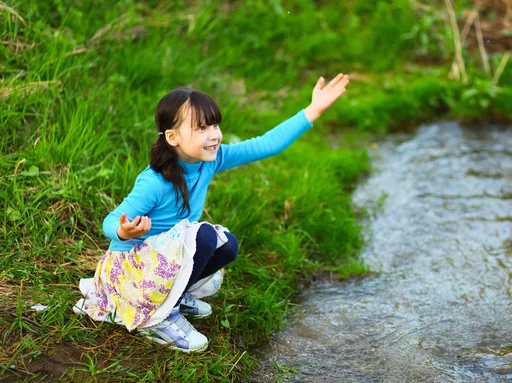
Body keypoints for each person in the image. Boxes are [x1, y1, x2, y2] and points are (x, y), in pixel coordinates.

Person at [73, 73, 350, 352]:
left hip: (162, 264)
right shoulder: (154, 182)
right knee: (203, 235)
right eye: (202, 127)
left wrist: (313, 109)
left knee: (227, 245)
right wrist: (124, 230)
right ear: (173, 136)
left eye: (215, 124)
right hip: (129, 274)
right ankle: (158, 320)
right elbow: (110, 221)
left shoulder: (211, 160)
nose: (214, 134)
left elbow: (265, 144)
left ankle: (175, 297)